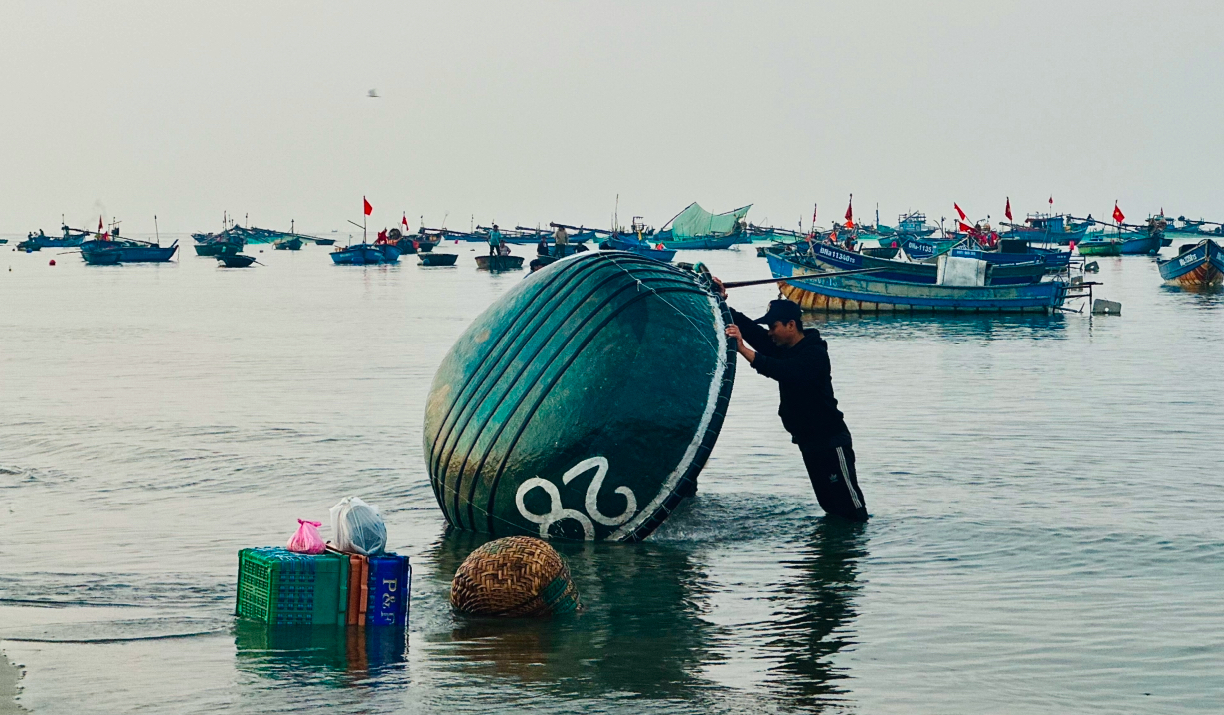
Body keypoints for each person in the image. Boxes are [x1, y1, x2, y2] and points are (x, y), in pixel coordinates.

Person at [714, 286, 868, 522]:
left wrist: (742, 349)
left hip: (830, 441)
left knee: (851, 509)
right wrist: (722, 301)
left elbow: (785, 372)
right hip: (807, 442)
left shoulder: (814, 354)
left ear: (791, 325)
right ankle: (832, 557)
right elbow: (751, 330)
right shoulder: (782, 348)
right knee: (830, 507)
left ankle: (856, 553)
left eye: (773, 327)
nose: (769, 333)